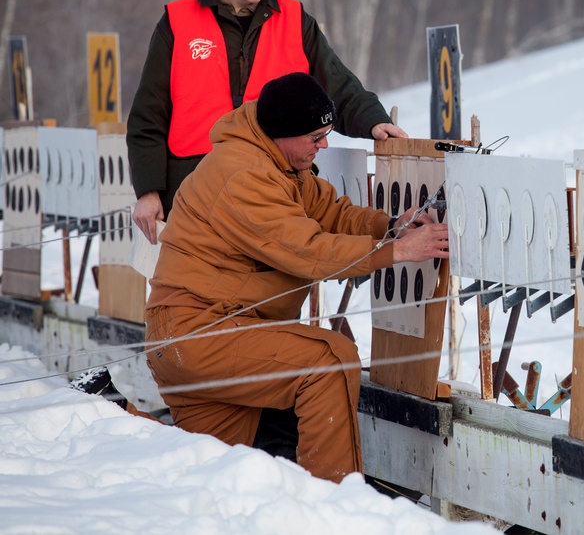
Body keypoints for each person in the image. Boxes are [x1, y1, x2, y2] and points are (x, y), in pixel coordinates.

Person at [143, 72, 449, 483]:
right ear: (283, 133)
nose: (324, 145)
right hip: (197, 332)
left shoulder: (276, 161)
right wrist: (398, 252)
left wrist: (390, 225)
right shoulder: (245, 176)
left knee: (208, 466)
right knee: (328, 361)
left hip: (203, 332)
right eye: (316, 136)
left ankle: (102, 411)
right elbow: (307, 251)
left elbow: (332, 212)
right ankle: (334, 503)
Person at [127, 0, 406, 245]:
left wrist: (372, 120)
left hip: (276, 193)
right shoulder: (177, 21)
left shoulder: (295, 19)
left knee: (270, 293)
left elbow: (337, 85)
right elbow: (148, 115)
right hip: (192, 193)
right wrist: (148, 190)